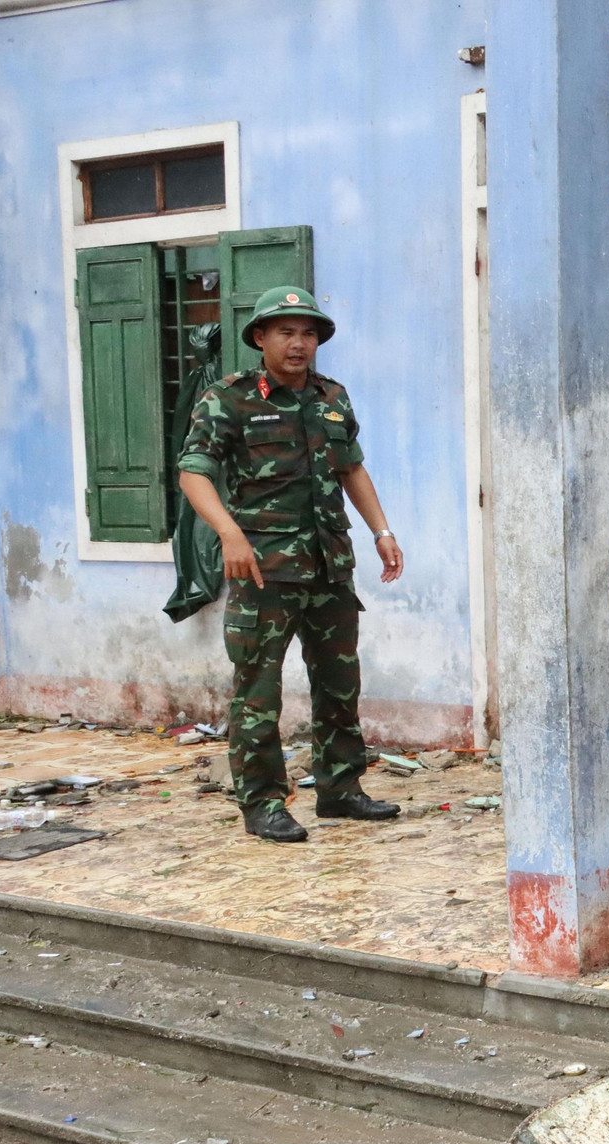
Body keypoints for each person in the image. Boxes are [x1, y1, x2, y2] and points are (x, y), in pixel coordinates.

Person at [177, 286, 405, 844]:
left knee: (339, 681)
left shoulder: (332, 396)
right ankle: (262, 804)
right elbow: (193, 473)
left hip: (329, 565)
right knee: (258, 690)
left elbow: (351, 469)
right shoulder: (229, 398)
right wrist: (229, 532)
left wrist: (382, 530)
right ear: (260, 338)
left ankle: (341, 789)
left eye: (308, 333)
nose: (298, 343)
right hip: (262, 569)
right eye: (285, 331)